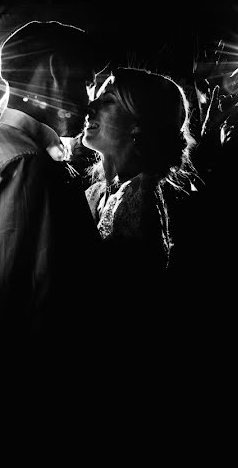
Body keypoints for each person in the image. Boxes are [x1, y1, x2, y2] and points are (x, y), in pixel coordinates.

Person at [0, 20, 105, 371]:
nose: (88, 100)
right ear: (56, 70)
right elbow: (23, 306)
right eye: (86, 82)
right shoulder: (24, 163)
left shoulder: (15, 150)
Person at [81, 68, 194, 352]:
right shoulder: (97, 191)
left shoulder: (142, 198)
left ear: (138, 122)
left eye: (107, 101)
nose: (90, 108)